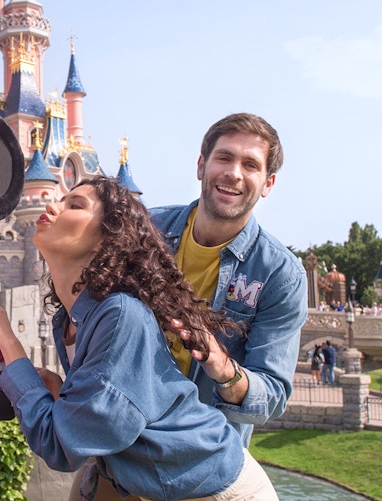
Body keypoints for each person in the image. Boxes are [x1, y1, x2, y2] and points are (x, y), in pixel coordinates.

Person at [0, 177, 278, 501]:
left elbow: (62, 445)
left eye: (74, 205)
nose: (52, 206)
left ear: (107, 238)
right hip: (142, 483)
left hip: (218, 489)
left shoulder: (120, 315)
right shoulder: (69, 320)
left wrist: (8, 339)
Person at [150, 113, 308, 447]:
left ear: (268, 184)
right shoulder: (146, 231)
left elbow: (273, 395)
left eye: (251, 165)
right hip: (122, 442)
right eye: (224, 157)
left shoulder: (280, 276)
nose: (234, 173)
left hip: (201, 455)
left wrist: (222, 367)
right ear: (201, 166)